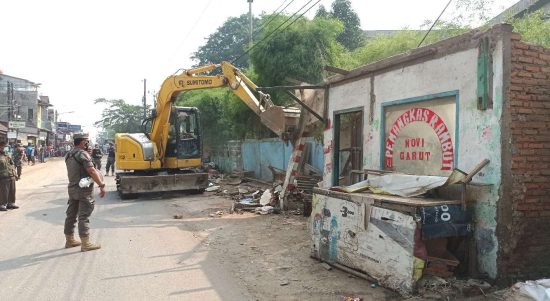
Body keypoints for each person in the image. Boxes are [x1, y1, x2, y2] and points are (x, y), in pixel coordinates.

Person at [64, 133, 105, 252]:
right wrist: (101, 185)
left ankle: (70, 240)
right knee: (84, 216)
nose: (88, 144)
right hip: (83, 190)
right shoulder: (82, 154)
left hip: (72, 188)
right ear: (83, 142)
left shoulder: (69, 154)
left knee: (71, 215)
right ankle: (85, 243)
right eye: (87, 141)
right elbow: (91, 171)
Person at [0, 141, 19, 211]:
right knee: (3, 191)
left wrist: (15, 174)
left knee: (12, 190)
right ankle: (2, 204)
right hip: (2, 176)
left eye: (5, 147)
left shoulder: (7, 155)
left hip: (11, 175)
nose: (4, 148)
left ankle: (11, 203)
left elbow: (12, 164)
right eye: (2, 146)